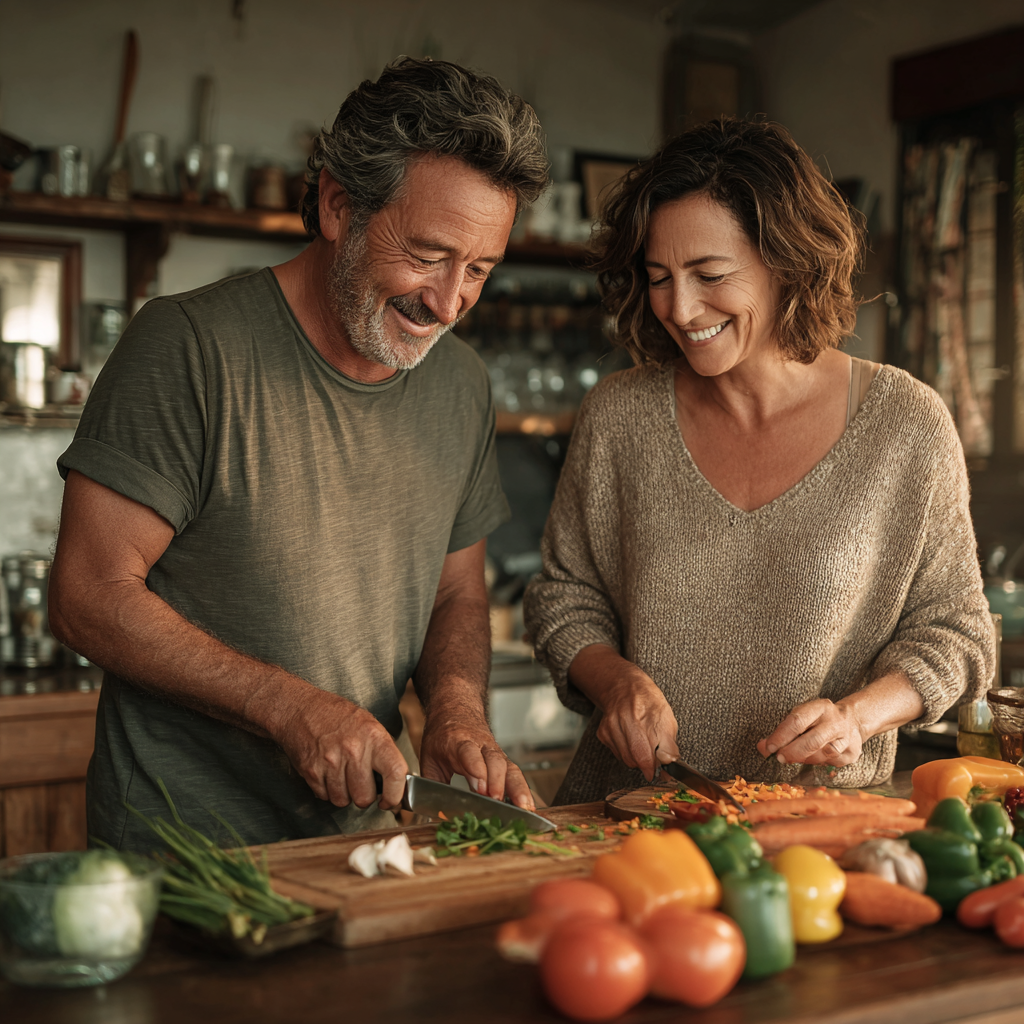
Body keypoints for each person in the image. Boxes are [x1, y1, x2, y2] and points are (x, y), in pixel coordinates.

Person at [48, 58, 549, 851]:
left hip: (364, 848)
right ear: (338, 206)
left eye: (479, 269)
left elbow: (456, 590)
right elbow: (85, 593)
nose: (449, 302)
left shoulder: (460, 382)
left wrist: (455, 710)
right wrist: (291, 708)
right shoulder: (188, 345)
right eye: (427, 254)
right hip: (185, 854)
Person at [523, 118, 995, 804]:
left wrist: (856, 718)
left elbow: (957, 631)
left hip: (815, 832)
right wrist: (614, 682)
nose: (680, 310)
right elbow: (565, 598)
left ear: (787, 263)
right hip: (626, 820)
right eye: (659, 278)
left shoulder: (905, 424)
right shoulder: (620, 417)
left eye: (709, 274)